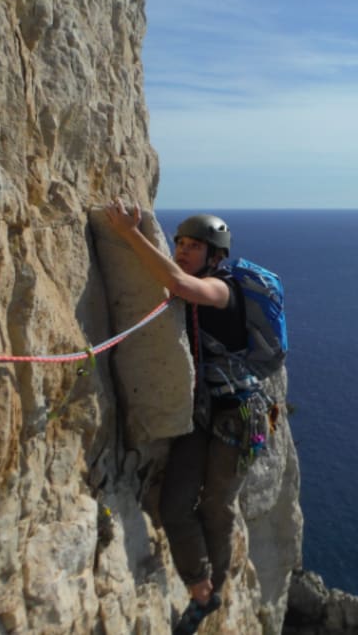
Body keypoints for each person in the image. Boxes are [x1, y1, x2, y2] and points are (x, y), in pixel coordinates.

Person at [105, 198, 264, 633]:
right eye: (179, 242)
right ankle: (200, 586)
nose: (183, 250)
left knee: (216, 505)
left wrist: (127, 232)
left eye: (195, 246)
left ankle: (211, 591)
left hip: (237, 417)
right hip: (201, 413)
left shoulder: (221, 290)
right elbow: (172, 280)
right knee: (175, 504)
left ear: (215, 257)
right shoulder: (193, 282)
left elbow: (180, 283)